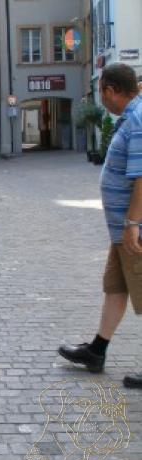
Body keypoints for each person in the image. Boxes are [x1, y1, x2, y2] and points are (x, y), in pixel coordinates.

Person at [57, 63, 142, 389]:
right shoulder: (130, 118)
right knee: (115, 287)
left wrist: (133, 223)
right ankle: (97, 351)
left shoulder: (137, 120)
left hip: (133, 230)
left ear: (111, 90)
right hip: (122, 230)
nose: (101, 98)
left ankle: (97, 351)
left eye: (101, 91)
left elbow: (141, 177)